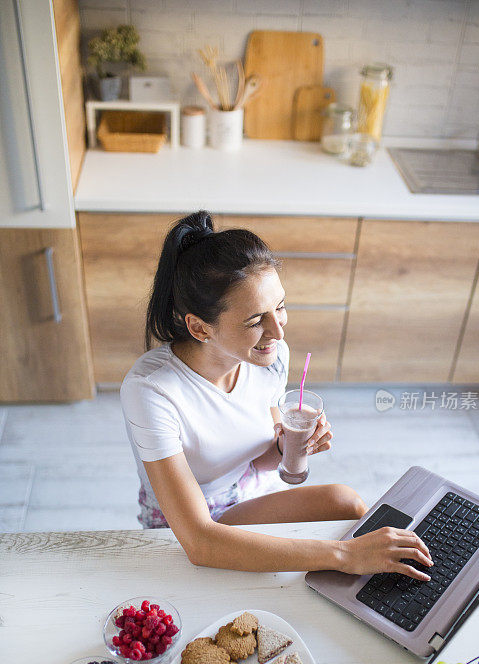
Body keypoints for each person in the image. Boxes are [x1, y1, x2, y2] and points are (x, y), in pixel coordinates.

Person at [120, 211, 432, 578]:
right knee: (342, 549)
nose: (278, 332)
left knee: (347, 503)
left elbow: (264, 461)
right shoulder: (152, 391)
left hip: (252, 493)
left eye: (279, 307)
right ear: (200, 327)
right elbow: (200, 542)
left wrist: (287, 449)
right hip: (194, 521)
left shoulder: (269, 356)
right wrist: (344, 555)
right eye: (255, 321)